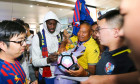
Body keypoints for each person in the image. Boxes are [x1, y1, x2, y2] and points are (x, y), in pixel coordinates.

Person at [81, 9, 139, 84]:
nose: (97, 34)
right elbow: (98, 77)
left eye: (99, 29)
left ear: (115, 32)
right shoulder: (106, 53)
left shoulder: (131, 59)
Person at [32, 11, 62, 84]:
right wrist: (48, 60)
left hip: (60, 73)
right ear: (45, 24)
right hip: (46, 76)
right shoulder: (37, 37)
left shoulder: (59, 35)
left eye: (54, 24)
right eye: (50, 24)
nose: (52, 27)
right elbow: (35, 62)